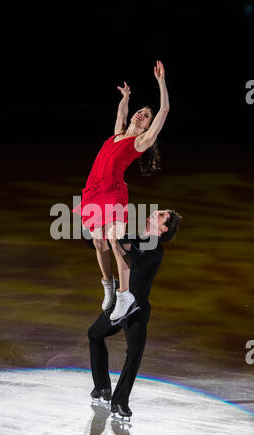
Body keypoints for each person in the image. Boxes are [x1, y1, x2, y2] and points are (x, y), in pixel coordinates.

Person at [72, 61, 170, 323]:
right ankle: (108, 284)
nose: (142, 114)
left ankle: (124, 295)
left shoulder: (139, 142)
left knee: (115, 240)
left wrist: (160, 81)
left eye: (146, 116)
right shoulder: (117, 134)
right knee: (98, 242)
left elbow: (165, 110)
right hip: (94, 192)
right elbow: (121, 115)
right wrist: (125, 98)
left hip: (114, 193)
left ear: (148, 127)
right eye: (141, 111)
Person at [87, 209, 182, 420]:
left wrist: (116, 240)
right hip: (119, 302)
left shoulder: (156, 250)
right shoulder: (133, 238)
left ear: (164, 228)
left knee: (135, 351)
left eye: (161, 215)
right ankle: (102, 387)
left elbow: (135, 260)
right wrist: (97, 229)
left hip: (135, 308)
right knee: (94, 334)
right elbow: (99, 243)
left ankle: (120, 402)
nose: (155, 211)